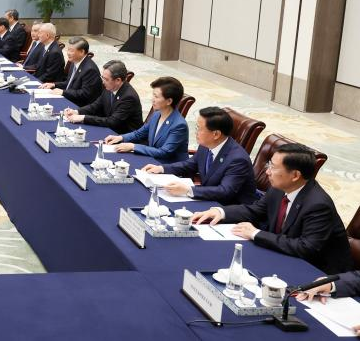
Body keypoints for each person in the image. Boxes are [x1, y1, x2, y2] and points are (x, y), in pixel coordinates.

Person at [192, 143, 352, 274]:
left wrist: (256, 233)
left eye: (274, 168)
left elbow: (306, 248)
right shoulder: (278, 188)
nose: (267, 171)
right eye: (269, 165)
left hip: (317, 271)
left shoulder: (318, 204)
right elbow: (255, 210)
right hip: (284, 255)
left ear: (295, 175)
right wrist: (220, 212)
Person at [139, 106, 256, 205]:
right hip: (209, 200)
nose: (196, 132)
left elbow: (224, 191)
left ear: (216, 134)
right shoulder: (206, 145)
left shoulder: (238, 159)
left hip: (229, 210)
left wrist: (188, 190)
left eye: (199, 128)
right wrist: (161, 168)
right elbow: (190, 164)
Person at [104, 76, 188, 163]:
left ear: (169, 101)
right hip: (152, 161)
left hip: (169, 168)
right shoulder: (156, 115)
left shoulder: (179, 125)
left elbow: (164, 152)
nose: (152, 99)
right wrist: (120, 137)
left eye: (156, 97)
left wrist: (133, 147)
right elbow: (139, 133)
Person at [65, 60, 143, 133]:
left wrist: (83, 118)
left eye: (106, 79)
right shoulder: (110, 87)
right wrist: (77, 111)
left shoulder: (129, 97)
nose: (103, 82)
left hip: (123, 136)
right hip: (109, 129)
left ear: (118, 80)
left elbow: (112, 122)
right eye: (102, 78)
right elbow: (95, 106)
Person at [40, 37, 102, 105]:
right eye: (68, 50)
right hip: (69, 99)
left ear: (82, 52)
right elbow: (69, 83)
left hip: (78, 105)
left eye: (71, 51)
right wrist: (54, 84)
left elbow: (85, 93)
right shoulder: (74, 62)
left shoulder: (90, 69)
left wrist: (63, 92)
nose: (68, 53)